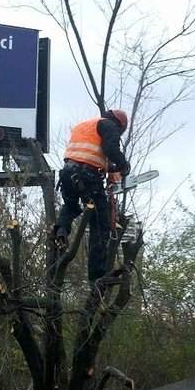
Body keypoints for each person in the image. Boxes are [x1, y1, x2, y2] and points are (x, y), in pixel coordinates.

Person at [54, 109, 130, 283]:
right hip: (87, 176)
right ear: (120, 125)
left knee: (71, 206)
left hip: (67, 172)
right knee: (100, 224)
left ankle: (61, 231)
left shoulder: (84, 126)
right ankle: (97, 276)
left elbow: (90, 155)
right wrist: (123, 165)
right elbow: (110, 148)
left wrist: (111, 168)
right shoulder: (109, 125)